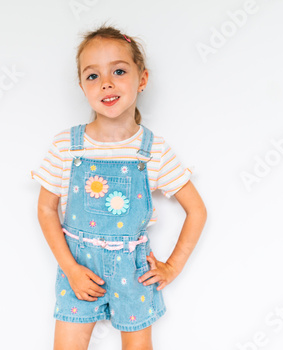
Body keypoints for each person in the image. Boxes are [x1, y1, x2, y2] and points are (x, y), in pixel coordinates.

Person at [31, 23, 207, 350]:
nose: (106, 83)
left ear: (142, 79)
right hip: (78, 268)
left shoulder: (154, 151)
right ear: (82, 85)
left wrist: (173, 266)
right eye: (93, 75)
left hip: (133, 271)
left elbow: (196, 210)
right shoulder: (66, 147)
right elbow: (45, 208)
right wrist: (70, 269)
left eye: (119, 71)